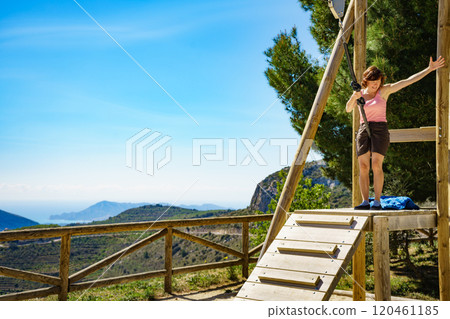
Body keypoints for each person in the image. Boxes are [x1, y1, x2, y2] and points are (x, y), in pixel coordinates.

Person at [346, 56, 445, 210]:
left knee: (376, 164)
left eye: (378, 81)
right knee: (363, 167)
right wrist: (354, 96)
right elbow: (348, 108)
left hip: (380, 129)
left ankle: (377, 202)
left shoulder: (384, 91)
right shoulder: (360, 94)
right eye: (373, 82)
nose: (376, 84)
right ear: (366, 81)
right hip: (363, 129)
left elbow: (407, 81)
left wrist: (429, 69)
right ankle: (365, 202)